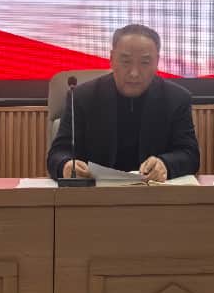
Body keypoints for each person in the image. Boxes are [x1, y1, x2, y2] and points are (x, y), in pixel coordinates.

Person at [46, 24, 200, 182]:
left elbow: (190, 154)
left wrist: (165, 164)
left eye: (145, 62)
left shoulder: (176, 98)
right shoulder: (82, 97)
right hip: (96, 192)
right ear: (112, 59)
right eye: (126, 61)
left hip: (154, 192)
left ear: (157, 63)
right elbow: (58, 153)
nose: (134, 73)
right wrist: (65, 166)